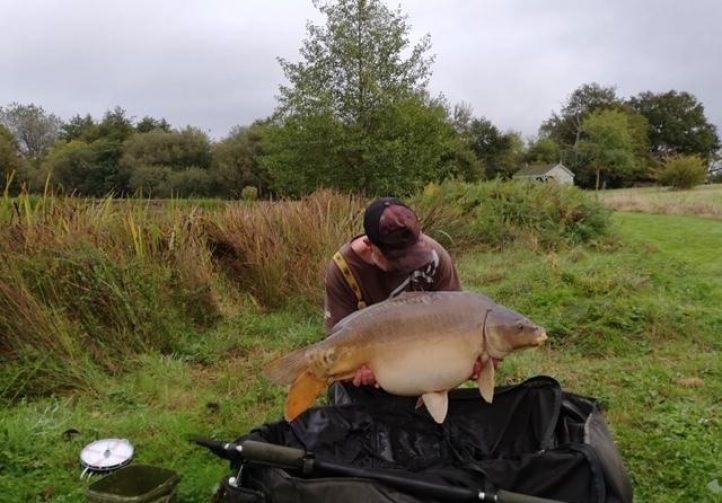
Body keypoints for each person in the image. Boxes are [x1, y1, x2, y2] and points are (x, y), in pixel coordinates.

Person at [324, 196, 479, 387]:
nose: (409, 264)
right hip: (374, 373)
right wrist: (355, 372)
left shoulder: (435, 258)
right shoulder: (342, 270)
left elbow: (459, 320)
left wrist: (470, 360)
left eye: (413, 253)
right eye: (397, 258)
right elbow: (336, 344)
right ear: (370, 245)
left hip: (426, 362)